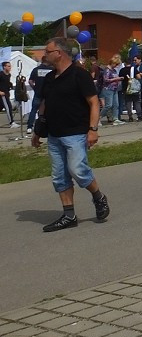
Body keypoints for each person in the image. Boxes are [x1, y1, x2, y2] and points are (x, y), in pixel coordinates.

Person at [32, 38, 110, 232]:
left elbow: (94, 102)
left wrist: (93, 129)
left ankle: (98, 196)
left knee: (78, 170)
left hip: (75, 133)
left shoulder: (79, 75)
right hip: (54, 135)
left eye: (48, 51)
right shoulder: (50, 78)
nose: (45, 54)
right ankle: (69, 215)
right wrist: (37, 131)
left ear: (59, 53)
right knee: (59, 177)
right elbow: (44, 104)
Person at [26, 56, 55, 136]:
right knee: (49, 110)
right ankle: (47, 126)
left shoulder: (36, 70)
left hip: (38, 93)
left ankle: (29, 126)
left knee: (34, 110)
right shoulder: (51, 70)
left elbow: (31, 81)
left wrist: (34, 88)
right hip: (48, 94)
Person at [99, 54, 121, 126]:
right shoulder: (107, 70)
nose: (117, 66)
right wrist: (116, 79)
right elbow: (106, 80)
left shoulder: (114, 70)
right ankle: (98, 118)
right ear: (113, 63)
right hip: (108, 89)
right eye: (116, 64)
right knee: (108, 105)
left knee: (116, 104)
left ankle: (115, 118)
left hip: (115, 89)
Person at [0, 61, 14, 127]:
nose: (10, 67)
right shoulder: (0, 74)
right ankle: (11, 122)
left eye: (10, 66)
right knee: (8, 107)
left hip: (6, 93)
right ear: (4, 67)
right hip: (2, 94)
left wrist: (10, 86)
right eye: (8, 66)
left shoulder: (9, 75)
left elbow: (6, 83)